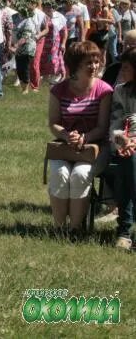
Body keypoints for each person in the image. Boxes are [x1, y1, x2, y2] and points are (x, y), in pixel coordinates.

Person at [47, 41, 112, 233]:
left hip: (96, 148)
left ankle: (75, 230)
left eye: (96, 61)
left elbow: (102, 127)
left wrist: (84, 137)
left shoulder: (104, 90)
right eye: (88, 63)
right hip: (65, 146)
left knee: (80, 175)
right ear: (76, 65)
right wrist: (67, 135)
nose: (94, 66)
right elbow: (53, 123)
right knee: (60, 175)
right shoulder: (58, 90)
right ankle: (59, 229)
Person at [109, 47, 136, 250]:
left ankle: (125, 230)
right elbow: (115, 125)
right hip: (126, 147)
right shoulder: (120, 91)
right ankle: (125, 230)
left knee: (131, 163)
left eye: (126, 68)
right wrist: (122, 141)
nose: (122, 72)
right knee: (129, 160)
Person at [11, 0, 38, 94]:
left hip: (27, 48)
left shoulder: (29, 21)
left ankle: (25, 89)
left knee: (24, 68)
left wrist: (16, 46)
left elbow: (25, 36)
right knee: (19, 68)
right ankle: (23, 87)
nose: (19, 12)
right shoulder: (20, 20)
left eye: (21, 11)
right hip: (19, 48)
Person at [40, 0, 67, 82]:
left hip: (55, 42)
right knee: (44, 59)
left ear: (54, 8)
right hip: (44, 41)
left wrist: (63, 43)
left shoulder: (59, 16)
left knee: (54, 59)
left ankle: (57, 75)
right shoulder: (41, 16)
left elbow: (64, 30)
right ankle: (45, 76)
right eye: (46, 7)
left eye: (50, 7)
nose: (48, 9)